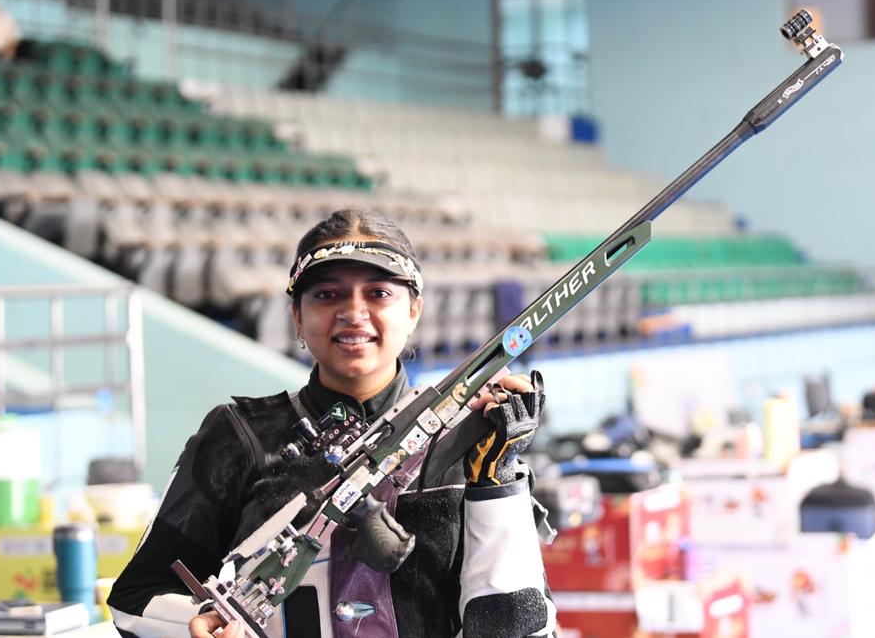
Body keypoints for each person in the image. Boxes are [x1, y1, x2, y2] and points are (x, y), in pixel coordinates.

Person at [108, 208, 557, 637]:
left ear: (413, 311)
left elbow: (519, 626)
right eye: (326, 294)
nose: (353, 311)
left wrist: (498, 485)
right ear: (298, 317)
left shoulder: (471, 438)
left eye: (378, 293)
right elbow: (135, 600)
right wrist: (203, 621)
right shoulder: (240, 434)